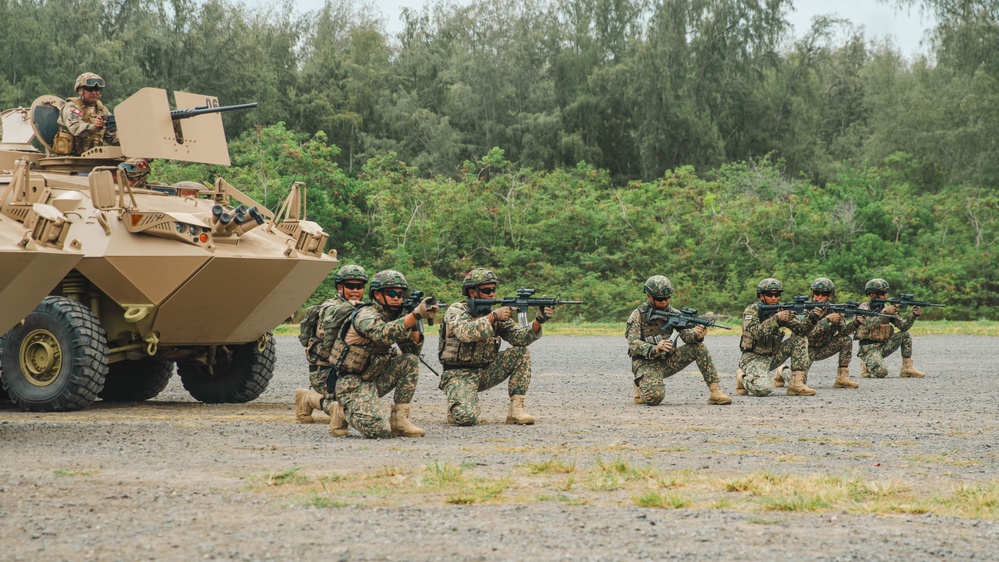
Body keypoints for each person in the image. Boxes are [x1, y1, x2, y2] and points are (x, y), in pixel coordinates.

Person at [328, 269, 438, 438]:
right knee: (378, 430)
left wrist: (414, 322)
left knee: (409, 361)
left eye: (400, 294)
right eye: (392, 293)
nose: (397, 297)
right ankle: (341, 410)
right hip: (352, 383)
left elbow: (412, 351)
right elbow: (382, 333)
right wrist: (414, 315)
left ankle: (399, 420)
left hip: (375, 377)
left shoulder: (396, 316)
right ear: (377, 294)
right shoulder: (365, 314)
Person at [437, 268, 554, 426]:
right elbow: (465, 333)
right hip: (458, 374)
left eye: (493, 289)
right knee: (466, 418)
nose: (492, 294)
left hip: (485, 370)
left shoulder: (495, 313)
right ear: (472, 292)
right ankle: (456, 405)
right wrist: (493, 317)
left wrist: (539, 321)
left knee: (521, 353)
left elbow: (519, 338)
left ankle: (516, 411)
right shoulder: (456, 311)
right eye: (487, 290)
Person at [626, 275, 731, 406]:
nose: (664, 302)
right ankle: (640, 383)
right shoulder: (638, 315)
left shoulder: (675, 314)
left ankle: (715, 392)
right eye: (660, 299)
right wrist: (654, 348)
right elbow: (633, 343)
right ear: (649, 297)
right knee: (654, 398)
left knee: (699, 347)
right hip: (645, 363)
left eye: (667, 298)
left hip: (667, 360)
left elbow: (687, 336)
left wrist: (697, 335)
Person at [294, 265, 367, 436]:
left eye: (360, 286)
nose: (355, 290)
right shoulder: (330, 306)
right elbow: (331, 317)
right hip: (325, 372)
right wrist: (352, 307)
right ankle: (308, 398)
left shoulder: (363, 308)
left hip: (349, 369)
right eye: (350, 286)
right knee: (339, 405)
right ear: (340, 287)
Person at [736, 278, 821, 397]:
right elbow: (753, 332)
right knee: (763, 389)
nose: (774, 298)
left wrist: (812, 318)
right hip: (753, 357)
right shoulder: (752, 310)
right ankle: (742, 377)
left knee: (799, 338)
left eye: (777, 295)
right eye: (770, 295)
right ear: (761, 295)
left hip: (772, 356)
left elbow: (801, 330)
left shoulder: (781, 310)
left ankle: (795, 384)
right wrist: (776, 318)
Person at [774, 277, 860, 389]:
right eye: (816, 293)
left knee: (846, 340)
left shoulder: (833, 309)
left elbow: (844, 331)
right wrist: (827, 320)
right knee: (799, 380)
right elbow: (805, 333)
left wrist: (856, 323)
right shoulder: (804, 310)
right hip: (805, 350)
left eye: (823, 294)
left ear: (830, 295)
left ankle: (842, 378)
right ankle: (782, 371)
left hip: (823, 347)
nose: (819, 297)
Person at [855, 278, 926, 379]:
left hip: (883, 345)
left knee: (904, 335)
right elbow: (870, 324)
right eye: (882, 293)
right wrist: (885, 313)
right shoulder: (864, 308)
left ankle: (907, 367)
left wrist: (913, 315)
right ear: (872, 294)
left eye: (886, 292)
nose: (885, 295)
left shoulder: (887, 307)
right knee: (881, 373)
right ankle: (866, 363)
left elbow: (903, 326)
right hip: (868, 348)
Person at [54, 72, 119, 156]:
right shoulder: (72, 107)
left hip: (94, 158)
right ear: (80, 90)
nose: (94, 92)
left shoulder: (102, 110)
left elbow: (112, 136)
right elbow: (76, 128)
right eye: (89, 89)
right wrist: (95, 127)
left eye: (97, 89)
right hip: (71, 159)